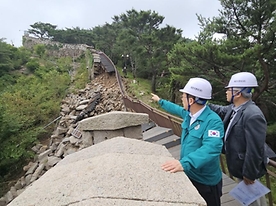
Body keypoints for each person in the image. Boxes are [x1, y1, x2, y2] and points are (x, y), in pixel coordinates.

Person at [151, 77, 224, 206]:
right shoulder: (190, 115)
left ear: (191, 100)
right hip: (189, 174)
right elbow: (176, 109)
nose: (181, 98)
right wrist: (160, 101)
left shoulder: (213, 121)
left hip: (206, 182)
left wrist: (184, 163)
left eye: (183, 96)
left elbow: (211, 148)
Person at [208, 72, 267, 206]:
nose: (226, 92)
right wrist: (203, 102)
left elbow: (255, 149)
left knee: (252, 201)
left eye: (229, 89)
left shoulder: (253, 115)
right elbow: (221, 110)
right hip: (239, 167)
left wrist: (249, 174)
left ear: (238, 93)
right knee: (253, 200)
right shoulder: (235, 108)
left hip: (246, 171)